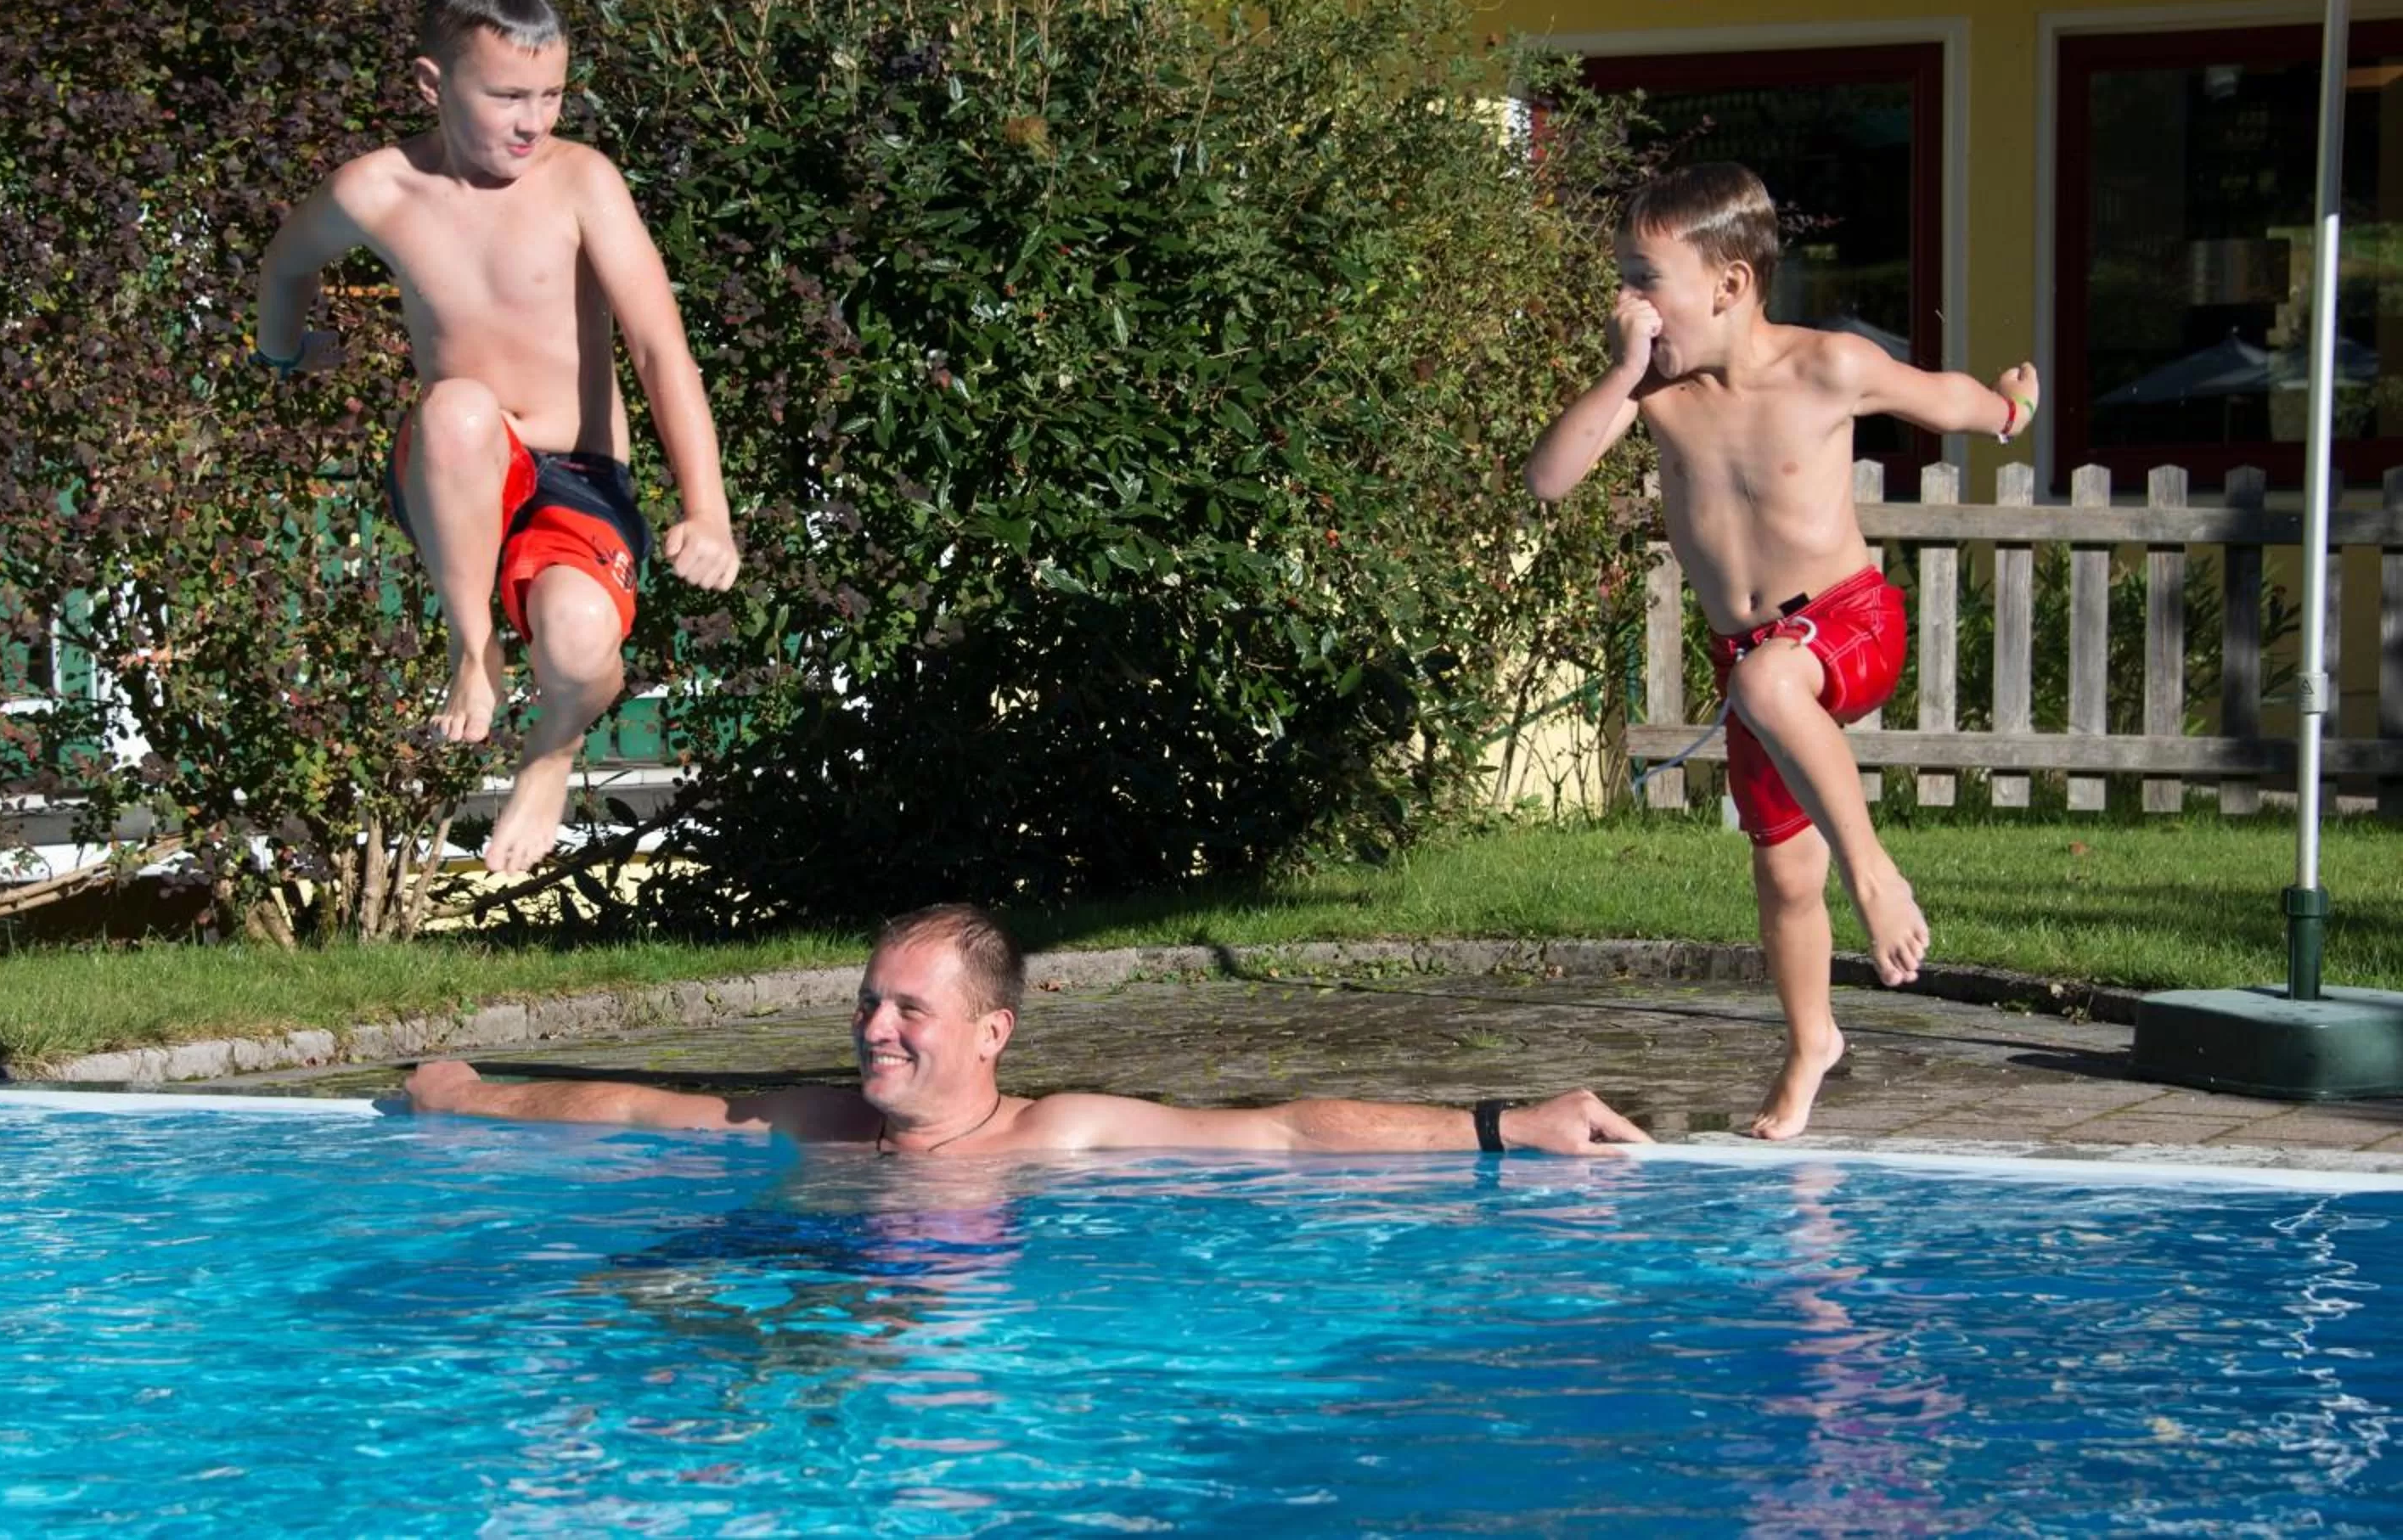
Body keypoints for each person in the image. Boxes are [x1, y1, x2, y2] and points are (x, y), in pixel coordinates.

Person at [1523, 162, 2037, 1140]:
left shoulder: (1827, 366)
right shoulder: (1656, 390)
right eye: (1624, 281)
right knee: (1785, 874)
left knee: (1770, 682)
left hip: (1850, 623)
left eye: (1645, 281)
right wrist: (1622, 375)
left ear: (1729, 284)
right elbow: (1549, 480)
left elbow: (1944, 402)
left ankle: (1876, 875)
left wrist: (2010, 409)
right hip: (1754, 665)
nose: (1629, 305)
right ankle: (1812, 1043)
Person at [253, 0, 739, 873]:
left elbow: (659, 347)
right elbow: (286, 262)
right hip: (461, 470)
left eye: (551, 96)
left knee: (581, 639)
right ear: (432, 84)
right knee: (459, 409)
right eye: (509, 96)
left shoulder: (581, 182)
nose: (534, 121)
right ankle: (471, 646)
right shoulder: (377, 191)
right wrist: (283, 352)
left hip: (580, 477)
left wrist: (706, 510)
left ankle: (551, 750)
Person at [406, 903, 1652, 1156]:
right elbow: (633, 1107)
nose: (874, 1028)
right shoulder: (821, 1123)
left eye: (910, 1009)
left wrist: (1504, 1124)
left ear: (993, 1031)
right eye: (870, 1001)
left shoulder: (1057, 1134)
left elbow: (1280, 1134)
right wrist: (466, 1095)